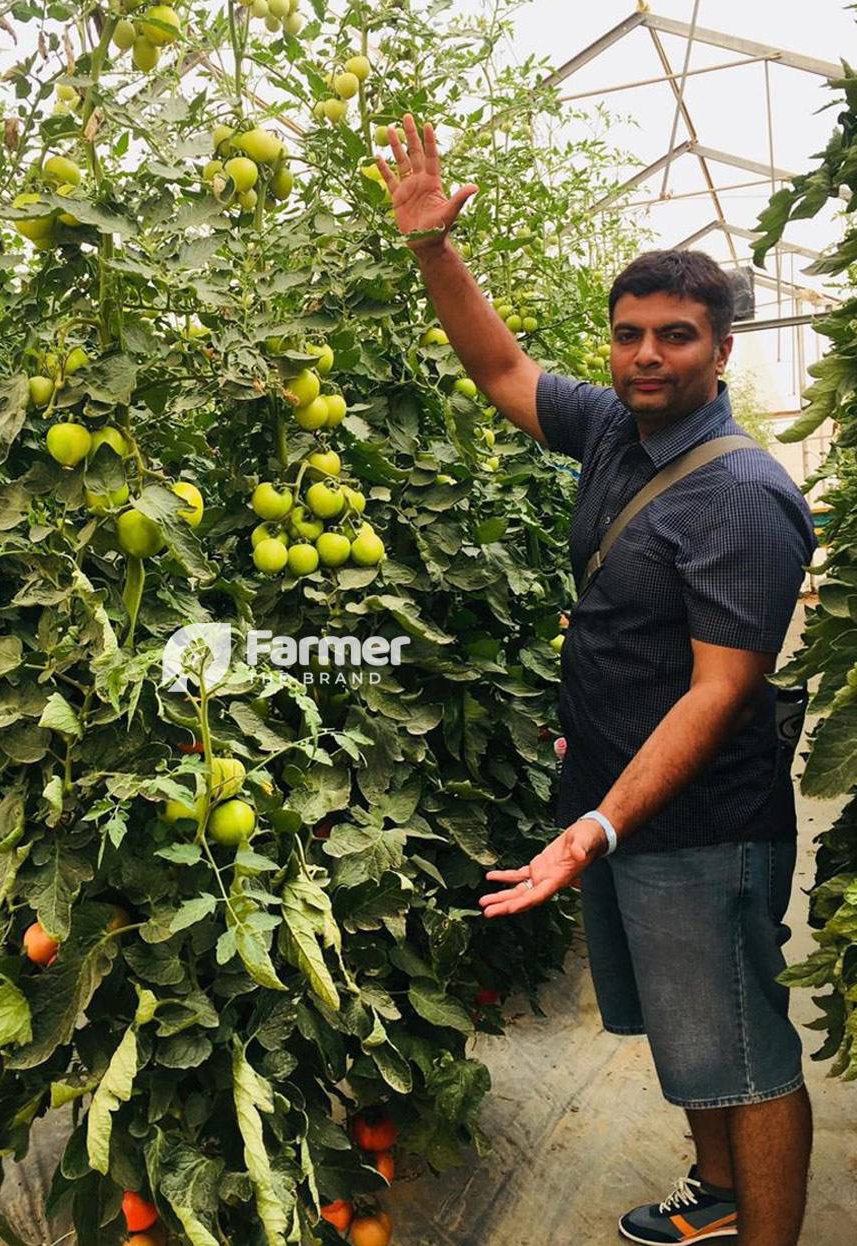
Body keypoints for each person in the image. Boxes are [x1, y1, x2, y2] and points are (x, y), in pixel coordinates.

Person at [374, 117, 817, 1246]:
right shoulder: (620, 433)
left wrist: (601, 827)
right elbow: (503, 367)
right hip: (619, 808)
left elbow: (720, 690)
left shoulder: (741, 497)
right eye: (630, 336)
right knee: (687, 1031)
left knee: (745, 1048)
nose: (646, 355)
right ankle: (716, 1197)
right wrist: (434, 248)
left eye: (676, 336)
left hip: (697, 821)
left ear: (722, 351)